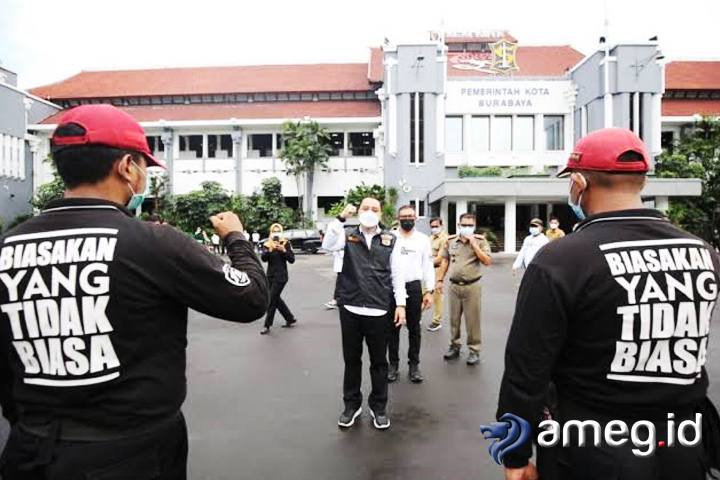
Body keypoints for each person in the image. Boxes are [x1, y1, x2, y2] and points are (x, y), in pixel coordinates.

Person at [0, 104, 268, 480]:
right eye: (143, 167)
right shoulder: (152, 243)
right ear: (127, 167)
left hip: (29, 451)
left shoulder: (9, 246)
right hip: (132, 453)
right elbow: (251, 298)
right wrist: (236, 238)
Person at [496, 127, 720, 480]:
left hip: (591, 446)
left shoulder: (560, 260)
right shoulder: (702, 252)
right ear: (642, 183)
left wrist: (515, 454)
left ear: (580, 184)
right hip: (683, 443)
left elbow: (526, 373)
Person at [322, 199, 406, 430]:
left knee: (379, 362)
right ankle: (352, 405)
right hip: (351, 307)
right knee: (352, 360)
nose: (369, 213)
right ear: (358, 212)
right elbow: (328, 245)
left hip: (379, 309)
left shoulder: (391, 240)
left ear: (381, 214)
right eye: (365, 209)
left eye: (375, 209)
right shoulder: (347, 234)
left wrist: (400, 305)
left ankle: (378, 407)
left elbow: (398, 274)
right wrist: (340, 218)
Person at [436, 213, 492, 365]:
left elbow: (487, 261)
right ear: (459, 225)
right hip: (454, 286)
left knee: (472, 320)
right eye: (464, 225)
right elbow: (445, 261)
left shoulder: (480, 241)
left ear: (474, 226)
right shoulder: (451, 241)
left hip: (472, 286)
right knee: (454, 319)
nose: (467, 227)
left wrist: (474, 246)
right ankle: (454, 346)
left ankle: (474, 350)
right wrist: (439, 279)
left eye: (470, 225)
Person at [388, 205, 435, 384]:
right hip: (392, 288)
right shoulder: (391, 237)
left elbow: (428, 266)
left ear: (415, 218)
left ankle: (414, 366)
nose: (407, 219)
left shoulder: (422, 239)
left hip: (414, 288)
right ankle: (393, 365)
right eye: (403, 216)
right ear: (398, 218)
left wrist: (429, 291)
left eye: (410, 216)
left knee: (414, 329)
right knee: (392, 329)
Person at [259, 223, 298, 335]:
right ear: (271, 232)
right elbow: (263, 259)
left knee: (271, 300)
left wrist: (283, 251)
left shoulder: (286, 243)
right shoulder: (267, 244)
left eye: (278, 231)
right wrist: (269, 250)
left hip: (281, 276)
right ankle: (289, 317)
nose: (276, 233)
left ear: (281, 231)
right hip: (270, 275)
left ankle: (267, 325)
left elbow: (292, 260)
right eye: (274, 231)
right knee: (275, 299)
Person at [428, 217, 449, 332]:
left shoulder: (444, 239)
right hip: (427, 269)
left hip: (438, 269)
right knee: (423, 293)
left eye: (436, 226)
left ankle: (437, 321)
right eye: (432, 227)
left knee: (437, 296)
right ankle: (415, 316)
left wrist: (426, 261)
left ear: (441, 226)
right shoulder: (430, 238)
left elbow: (440, 258)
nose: (434, 228)